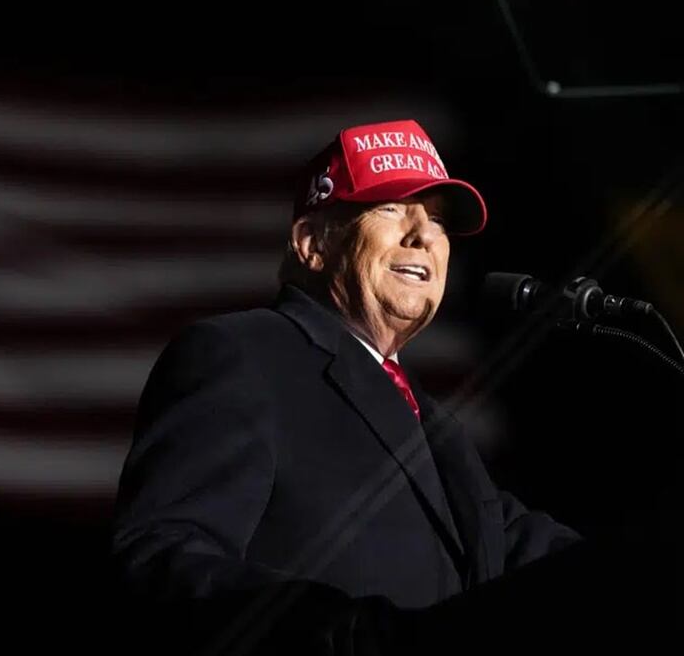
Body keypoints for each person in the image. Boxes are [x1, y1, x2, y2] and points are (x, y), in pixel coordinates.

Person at [108, 119, 584, 654]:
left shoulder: (439, 432)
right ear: (312, 244)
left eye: (437, 221)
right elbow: (160, 557)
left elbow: (536, 554)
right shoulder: (244, 355)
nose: (423, 235)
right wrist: (337, 627)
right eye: (390, 209)